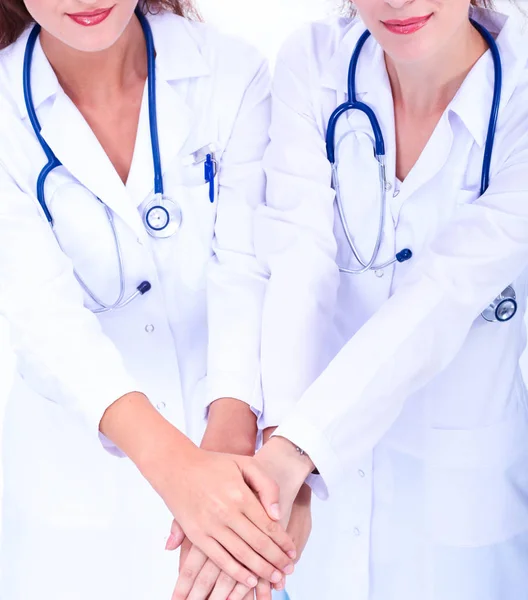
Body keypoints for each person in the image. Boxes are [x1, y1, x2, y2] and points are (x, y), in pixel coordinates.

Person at [0, 2, 298, 599]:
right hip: (73, 496)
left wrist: (226, 462)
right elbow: (43, 315)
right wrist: (183, 477)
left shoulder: (229, 73)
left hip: (238, 470)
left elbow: (245, 270)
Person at [252, 0, 528, 599]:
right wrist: (282, 461)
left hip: (461, 517)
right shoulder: (314, 62)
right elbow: (298, 263)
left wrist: (298, 448)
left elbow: (446, 289)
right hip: (315, 516)